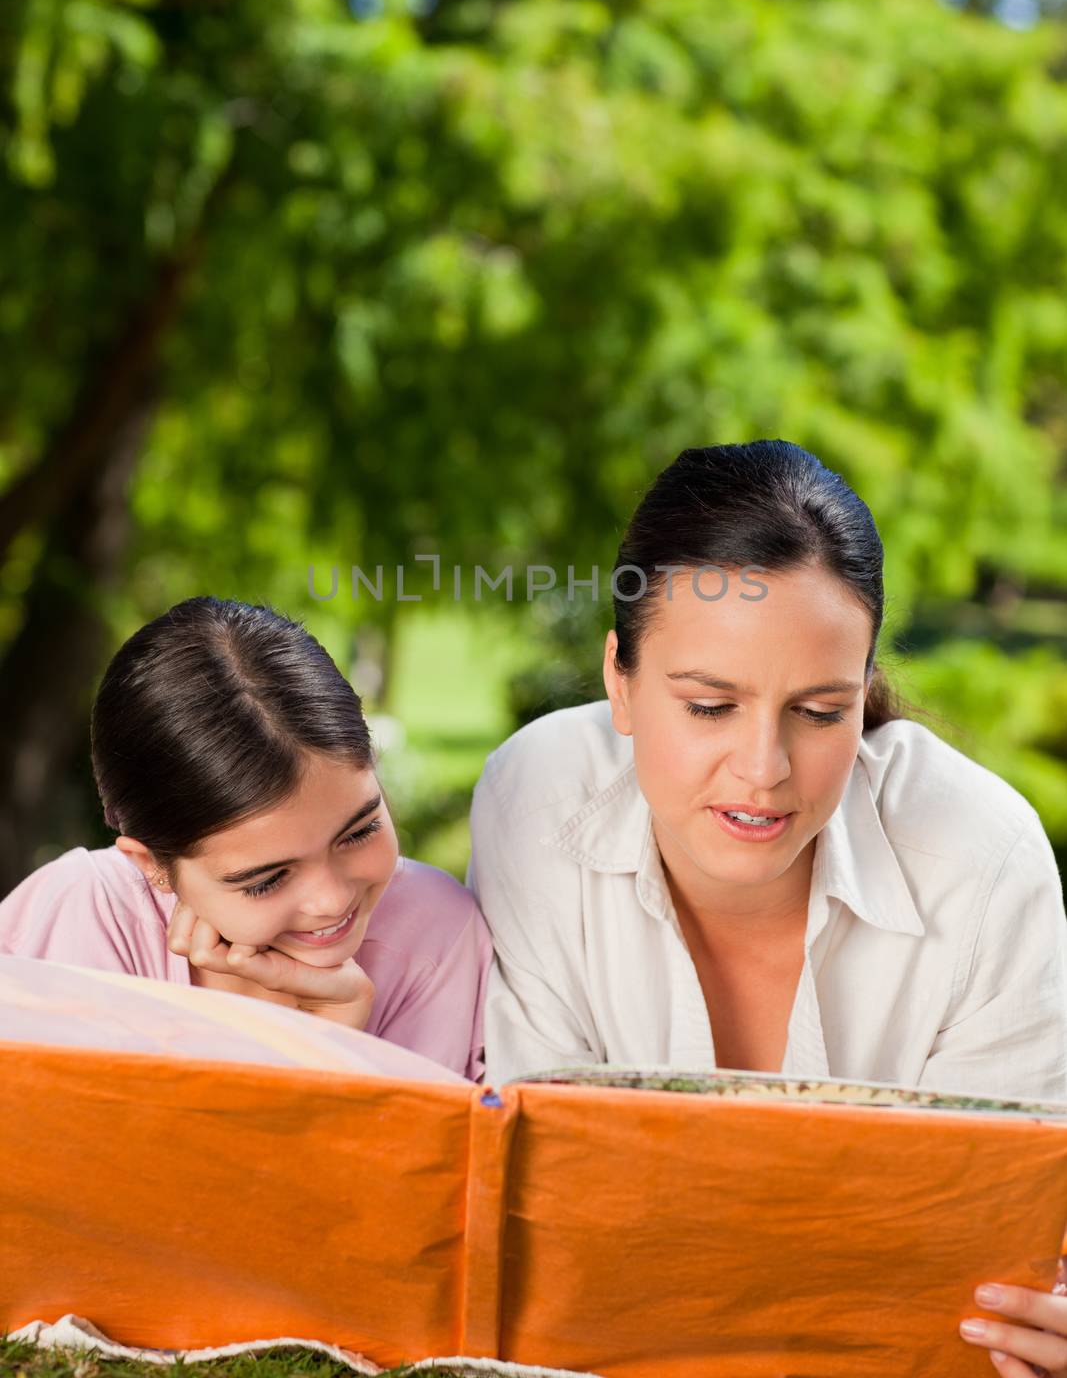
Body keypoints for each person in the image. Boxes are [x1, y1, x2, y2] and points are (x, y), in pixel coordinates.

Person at [465, 439, 1067, 1372]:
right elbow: (549, 1213)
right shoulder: (536, 802)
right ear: (618, 681)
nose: (764, 769)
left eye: (821, 712)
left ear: (863, 693)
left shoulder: (982, 862)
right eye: (709, 706)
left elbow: (985, 1265)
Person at [0, 595, 490, 1082]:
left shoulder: (437, 934)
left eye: (360, 831)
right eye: (266, 880)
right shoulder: (81, 920)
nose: (331, 899)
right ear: (152, 865)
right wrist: (316, 1048)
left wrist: (338, 1046)